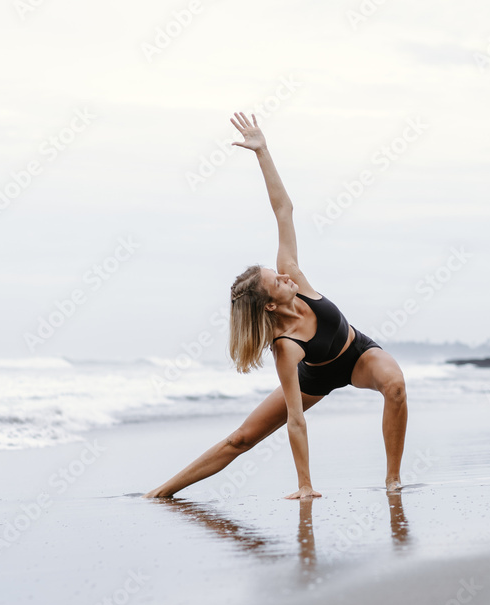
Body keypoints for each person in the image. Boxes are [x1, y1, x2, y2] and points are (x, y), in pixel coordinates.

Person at [144, 112, 408, 500]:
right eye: (276, 281)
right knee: (241, 438)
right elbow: (296, 421)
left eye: (280, 274)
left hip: (356, 354)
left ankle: (393, 483)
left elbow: (284, 210)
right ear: (269, 306)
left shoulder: (294, 275)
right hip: (315, 376)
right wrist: (305, 485)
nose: (285, 277)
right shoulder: (286, 347)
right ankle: (161, 492)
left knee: (396, 386)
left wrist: (262, 151)